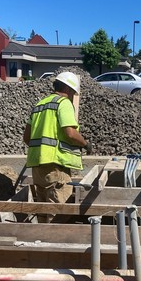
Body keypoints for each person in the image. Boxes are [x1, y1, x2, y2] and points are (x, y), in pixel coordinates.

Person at [23, 71, 93, 223]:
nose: (72, 96)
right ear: (67, 90)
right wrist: (86, 144)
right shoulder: (63, 103)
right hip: (56, 165)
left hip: (37, 165)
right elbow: (70, 133)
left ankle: (41, 242)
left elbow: (26, 138)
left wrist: (42, 150)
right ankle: (55, 244)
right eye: (73, 92)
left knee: (42, 209)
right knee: (58, 211)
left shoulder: (39, 104)